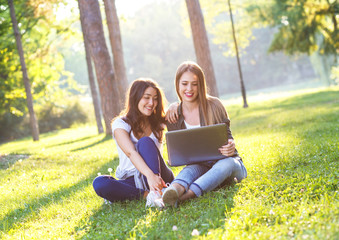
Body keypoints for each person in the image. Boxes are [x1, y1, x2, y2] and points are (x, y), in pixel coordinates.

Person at [162, 61, 247, 207]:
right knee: (189, 170)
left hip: (230, 165)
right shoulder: (173, 115)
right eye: (184, 83)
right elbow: (182, 151)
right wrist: (175, 157)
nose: (189, 89)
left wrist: (231, 146)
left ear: (201, 84)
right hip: (201, 167)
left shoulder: (214, 105)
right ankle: (173, 191)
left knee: (225, 164)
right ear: (177, 85)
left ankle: (184, 198)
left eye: (194, 84)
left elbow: (228, 136)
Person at [93, 78, 174, 208]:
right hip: (134, 179)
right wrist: (149, 175)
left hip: (160, 176)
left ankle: (157, 190)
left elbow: (184, 116)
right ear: (135, 98)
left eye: (155, 98)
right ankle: (148, 195)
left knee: (145, 142)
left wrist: (175, 106)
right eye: (146, 98)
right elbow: (130, 152)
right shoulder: (120, 124)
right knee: (100, 183)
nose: (151, 103)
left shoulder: (159, 122)